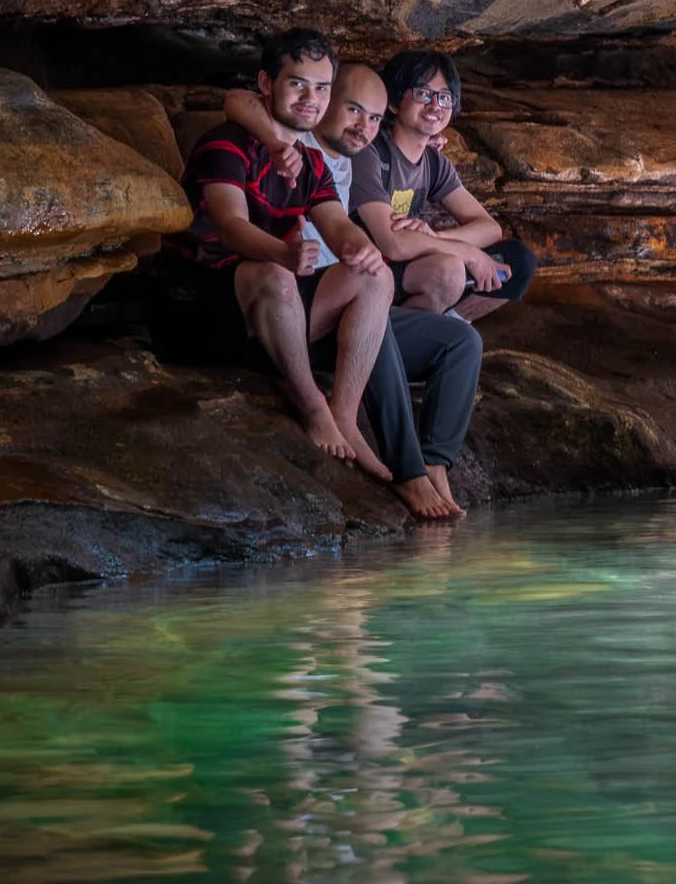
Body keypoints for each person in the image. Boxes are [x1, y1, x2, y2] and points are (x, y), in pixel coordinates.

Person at [222, 59, 480, 521]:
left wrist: (372, 250)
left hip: (339, 292)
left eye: (375, 118)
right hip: (288, 305)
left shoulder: (345, 158)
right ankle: (407, 472)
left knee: (461, 341)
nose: (365, 128)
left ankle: (437, 463)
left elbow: (346, 230)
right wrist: (275, 142)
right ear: (324, 106)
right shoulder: (298, 145)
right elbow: (236, 100)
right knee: (373, 312)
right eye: (353, 111)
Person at [169, 29, 395, 482]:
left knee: (377, 277)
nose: (312, 99)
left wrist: (363, 249)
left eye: (323, 88)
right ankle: (312, 405)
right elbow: (231, 228)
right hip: (196, 310)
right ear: (267, 84)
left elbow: (337, 225)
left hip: (270, 316)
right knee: (273, 273)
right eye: (298, 84)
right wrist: (285, 253)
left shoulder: (311, 164)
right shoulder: (227, 143)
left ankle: (344, 414)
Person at [351, 50, 536, 321]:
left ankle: (449, 325)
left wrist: (436, 239)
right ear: (392, 102)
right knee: (448, 270)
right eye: (423, 94)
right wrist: (467, 253)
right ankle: (390, 340)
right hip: (369, 267)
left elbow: (489, 228)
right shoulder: (370, 152)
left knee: (518, 261)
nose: (435, 105)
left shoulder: (433, 162)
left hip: (413, 260)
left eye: (445, 97)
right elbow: (394, 245)